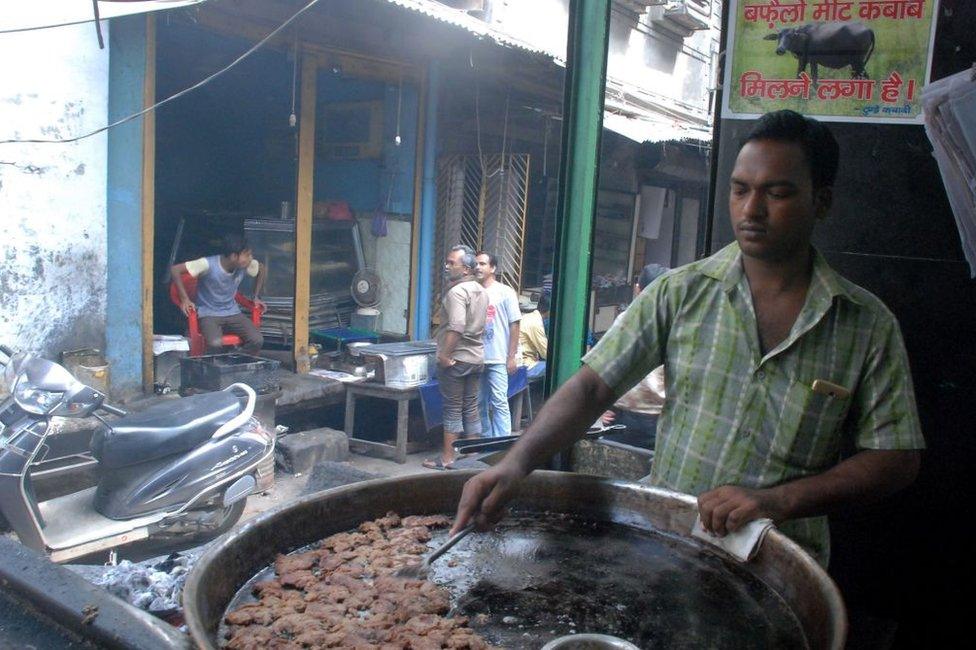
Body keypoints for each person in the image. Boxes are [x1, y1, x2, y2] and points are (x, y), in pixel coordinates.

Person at [451, 110, 924, 567]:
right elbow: (594, 387)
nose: (752, 210)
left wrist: (777, 500)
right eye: (740, 190)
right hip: (665, 547)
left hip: (779, 564)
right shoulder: (679, 294)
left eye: (777, 193)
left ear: (821, 201)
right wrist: (516, 464)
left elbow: (895, 458)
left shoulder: (865, 324)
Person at [424, 245, 489, 470]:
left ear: (465, 270)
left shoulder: (457, 292)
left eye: (452, 263)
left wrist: (444, 355)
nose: (447, 266)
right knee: (471, 407)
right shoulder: (481, 290)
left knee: (452, 408)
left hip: (457, 359)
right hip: (476, 357)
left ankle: (448, 458)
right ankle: (473, 457)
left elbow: (457, 326)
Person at [598, 264, 669, 449]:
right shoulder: (677, 323)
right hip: (660, 419)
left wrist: (603, 405)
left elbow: (607, 366)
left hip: (625, 416)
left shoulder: (625, 320)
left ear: (638, 289)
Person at [171, 233, 266, 354]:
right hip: (209, 313)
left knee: (257, 340)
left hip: (233, 313)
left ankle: (235, 362)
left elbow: (261, 269)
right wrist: (185, 299)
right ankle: (213, 367)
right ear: (233, 256)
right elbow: (175, 270)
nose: (250, 258)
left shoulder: (246, 264)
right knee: (215, 343)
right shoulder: (207, 264)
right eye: (247, 255)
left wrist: (256, 296)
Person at [474, 252, 522, 437]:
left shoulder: (505, 292)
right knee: (478, 402)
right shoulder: (472, 291)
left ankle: (501, 443)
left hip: (498, 358)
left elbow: (515, 324)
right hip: (477, 358)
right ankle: (486, 440)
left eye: (483, 264)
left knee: (499, 401)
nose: (478, 267)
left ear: (493, 268)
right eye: (476, 264)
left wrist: (511, 357)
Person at [519, 293, 549, 381]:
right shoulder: (535, 323)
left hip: (520, 362)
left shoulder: (527, 317)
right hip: (526, 366)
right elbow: (546, 353)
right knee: (558, 367)